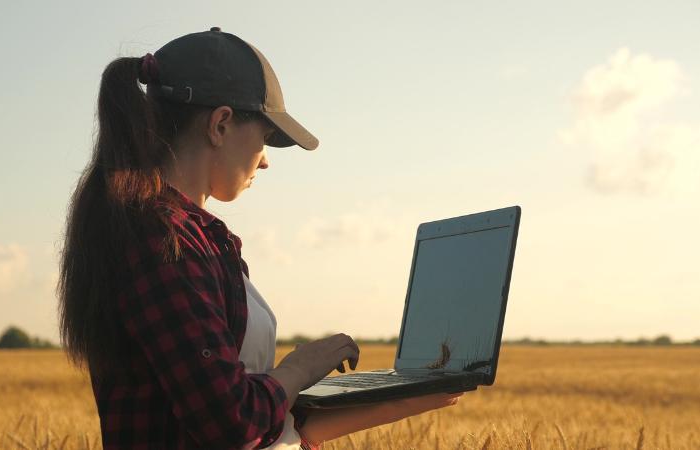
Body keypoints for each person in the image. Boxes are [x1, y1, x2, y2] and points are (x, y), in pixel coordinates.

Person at [57, 27, 463, 449]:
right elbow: (231, 420)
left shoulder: (200, 239)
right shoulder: (163, 243)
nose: (266, 160)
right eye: (266, 138)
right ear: (220, 124)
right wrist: (297, 369)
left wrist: (414, 395)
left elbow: (269, 425)